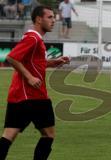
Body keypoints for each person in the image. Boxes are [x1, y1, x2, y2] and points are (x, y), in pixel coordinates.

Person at [0, 6, 70, 159]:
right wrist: (30, 78)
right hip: (33, 96)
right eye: (50, 17)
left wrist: (52, 63)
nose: (53, 21)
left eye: (54, 17)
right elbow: (12, 57)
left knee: (9, 135)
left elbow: (33, 62)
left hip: (18, 95)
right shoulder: (33, 37)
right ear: (39, 19)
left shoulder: (36, 38)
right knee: (49, 134)